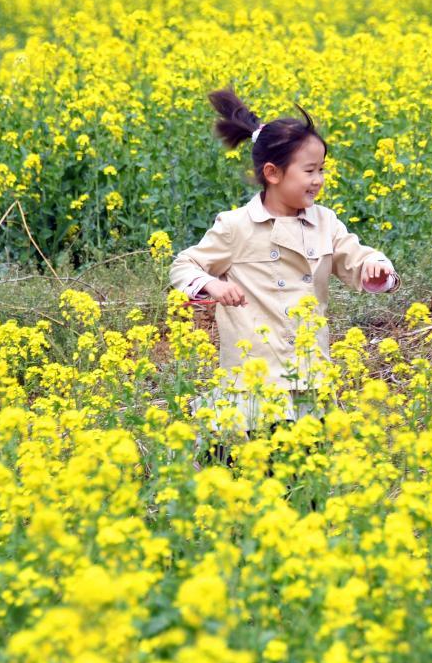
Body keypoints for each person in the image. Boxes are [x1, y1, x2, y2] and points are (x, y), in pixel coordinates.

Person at [170, 87, 401, 445]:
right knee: (252, 471)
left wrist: (376, 266)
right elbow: (185, 264)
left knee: (305, 480)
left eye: (322, 169)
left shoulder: (325, 222)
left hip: (309, 375)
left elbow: (355, 254)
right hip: (256, 379)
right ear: (273, 173)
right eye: (309, 170)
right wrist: (212, 286)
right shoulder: (236, 226)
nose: (319, 180)